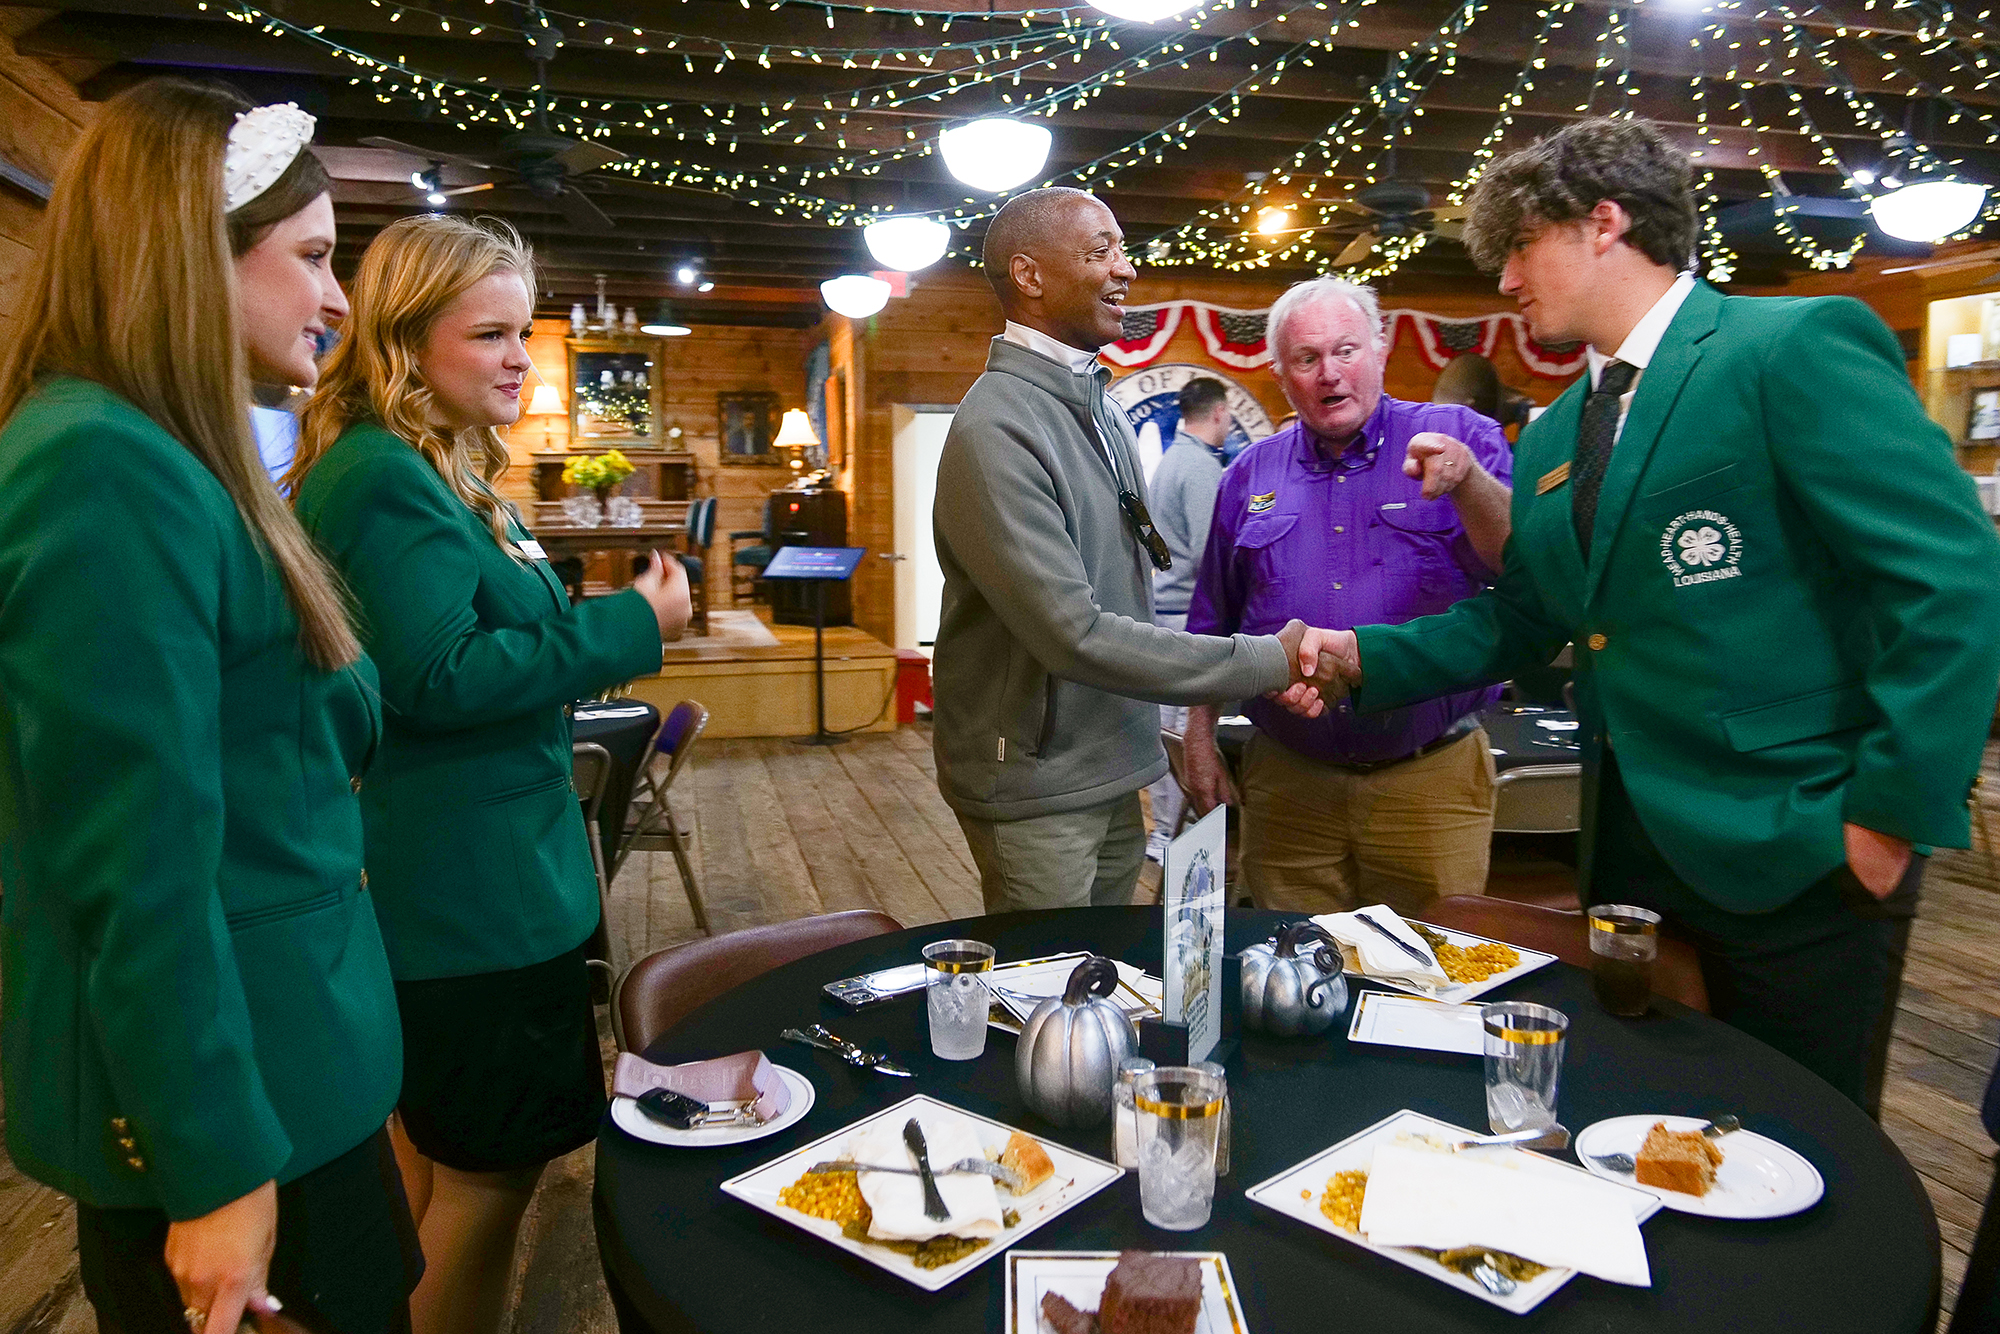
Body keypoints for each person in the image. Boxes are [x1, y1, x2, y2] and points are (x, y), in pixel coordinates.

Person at [1314, 117, 2000, 1115]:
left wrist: (1884, 818)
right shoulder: (1552, 431)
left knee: (1808, 1148)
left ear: (1602, 221)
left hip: (1796, 848)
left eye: (1517, 246)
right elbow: (1526, 615)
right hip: (1629, 857)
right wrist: (1350, 656)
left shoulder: (1787, 347)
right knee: (1651, 1130)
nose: (1504, 281)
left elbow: (1949, 577)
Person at [0, 81, 420, 1333]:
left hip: (299, 1064)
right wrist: (216, 1163)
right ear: (189, 255)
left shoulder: (164, 454)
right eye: (311, 257)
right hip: (246, 1104)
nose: (337, 299)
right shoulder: (101, 463)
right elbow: (133, 868)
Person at [287, 216, 689, 1334]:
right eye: (492, 333)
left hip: (483, 879)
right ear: (406, 343)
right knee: (485, 1183)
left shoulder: (439, 466)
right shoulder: (380, 474)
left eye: (524, 329)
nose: (521, 354)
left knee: (433, 1173)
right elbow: (436, 676)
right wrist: (629, 623)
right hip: (468, 898)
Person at [931, 186, 1337, 914]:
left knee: (1104, 983)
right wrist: (1269, 658)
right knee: (1047, 996)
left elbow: (1129, 593)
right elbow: (1072, 634)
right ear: (1029, 276)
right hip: (1035, 786)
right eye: (1100, 252)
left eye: (1121, 248)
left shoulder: (1108, 411)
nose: (1126, 270)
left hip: (1117, 764)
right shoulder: (994, 428)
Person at [1180, 278, 1513, 917]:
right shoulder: (1249, 475)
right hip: (1287, 782)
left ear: (1381, 352)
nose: (1329, 374)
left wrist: (1468, 481)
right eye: (1307, 359)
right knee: (1285, 970)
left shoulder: (1458, 438)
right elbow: (1211, 620)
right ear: (1280, 373)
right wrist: (1197, 736)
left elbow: (1514, 567)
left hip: (1429, 782)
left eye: (1346, 350)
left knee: (1428, 984)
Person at [1143, 375, 1233, 862]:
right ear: (1220, 412)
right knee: (1181, 736)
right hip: (1185, 624)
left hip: (1162, 616)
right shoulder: (1199, 468)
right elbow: (1209, 556)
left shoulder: (1170, 461)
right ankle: (1177, 842)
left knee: (1165, 737)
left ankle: (1163, 838)